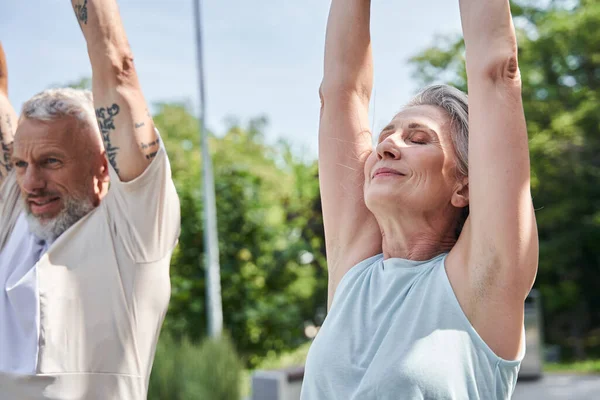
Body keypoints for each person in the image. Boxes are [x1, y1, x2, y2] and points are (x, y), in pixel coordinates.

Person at [301, 0, 539, 399]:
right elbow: (342, 92)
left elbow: (497, 72)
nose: (388, 145)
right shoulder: (354, 269)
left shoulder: (483, 282)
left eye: (418, 139)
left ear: (464, 186)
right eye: (385, 136)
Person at [0, 0, 180, 398]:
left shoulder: (135, 232)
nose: (31, 181)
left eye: (51, 161)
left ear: (103, 166)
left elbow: (116, 66)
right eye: (19, 163)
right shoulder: (15, 213)